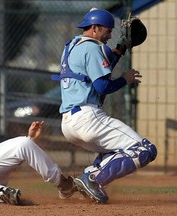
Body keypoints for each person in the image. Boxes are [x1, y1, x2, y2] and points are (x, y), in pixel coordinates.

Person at [55, 8, 157, 204]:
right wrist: (124, 80)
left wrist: (121, 47)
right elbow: (102, 85)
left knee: (115, 151)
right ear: (94, 28)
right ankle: (92, 179)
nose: (110, 35)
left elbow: (104, 62)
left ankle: (82, 179)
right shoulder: (92, 47)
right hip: (87, 118)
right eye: (107, 31)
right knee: (144, 150)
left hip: (69, 123)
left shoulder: (72, 45)